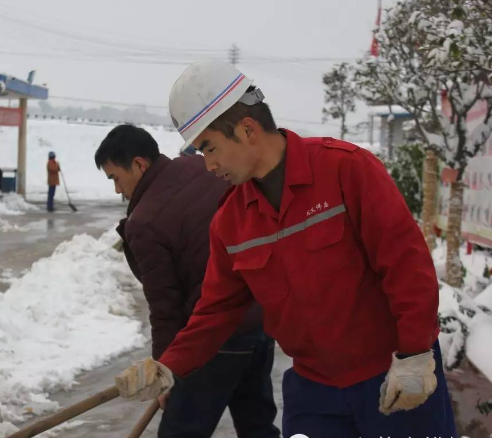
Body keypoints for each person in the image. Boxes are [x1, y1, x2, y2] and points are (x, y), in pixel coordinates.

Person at [115, 60, 456, 438]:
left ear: (247, 129)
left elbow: (406, 264)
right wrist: (169, 366)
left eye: (209, 148)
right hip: (315, 394)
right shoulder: (230, 220)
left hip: (391, 376)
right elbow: (217, 310)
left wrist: (414, 354)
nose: (208, 165)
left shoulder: (345, 170)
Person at [97, 124, 279, 438]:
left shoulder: (144, 223)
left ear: (140, 164)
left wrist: (166, 371)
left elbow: (164, 307)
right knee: (258, 427)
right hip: (260, 321)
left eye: (115, 177)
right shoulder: (200, 166)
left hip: (212, 338)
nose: (117, 189)